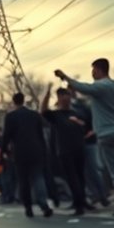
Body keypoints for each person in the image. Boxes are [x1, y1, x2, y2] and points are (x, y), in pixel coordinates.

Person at [55, 60, 114, 216]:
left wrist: (64, 76)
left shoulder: (101, 86)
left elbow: (82, 87)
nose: (92, 73)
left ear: (99, 70)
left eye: (93, 70)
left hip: (107, 133)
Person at [1, 93, 53, 218]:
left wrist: (4, 150)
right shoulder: (34, 115)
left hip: (20, 152)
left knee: (23, 180)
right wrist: (44, 150)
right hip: (36, 150)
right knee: (38, 177)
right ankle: (43, 204)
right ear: (24, 100)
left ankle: (28, 207)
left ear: (14, 102)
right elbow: (40, 134)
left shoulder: (10, 117)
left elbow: (6, 135)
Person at [42, 84, 90, 215]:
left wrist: (78, 123)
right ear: (58, 98)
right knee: (72, 177)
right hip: (65, 150)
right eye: (62, 96)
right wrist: (47, 94)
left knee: (81, 176)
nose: (65, 98)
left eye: (67, 95)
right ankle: (78, 204)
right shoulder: (56, 115)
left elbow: (86, 127)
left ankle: (82, 201)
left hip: (79, 147)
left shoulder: (76, 113)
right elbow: (44, 111)